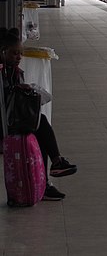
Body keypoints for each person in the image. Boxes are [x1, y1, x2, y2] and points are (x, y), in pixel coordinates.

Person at [1, 28, 77, 201]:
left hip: (11, 118)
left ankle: (45, 179)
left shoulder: (13, 70)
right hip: (5, 123)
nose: (19, 57)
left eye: (20, 53)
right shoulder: (3, 72)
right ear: (3, 52)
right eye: (14, 54)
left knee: (37, 126)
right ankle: (52, 169)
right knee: (38, 123)